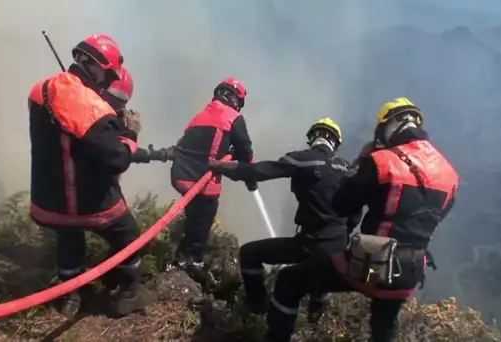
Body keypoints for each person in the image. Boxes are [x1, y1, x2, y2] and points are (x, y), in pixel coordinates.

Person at [262, 97, 459, 342]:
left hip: (369, 266)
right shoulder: (450, 173)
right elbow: (439, 216)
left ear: (389, 125)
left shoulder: (382, 161)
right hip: (410, 270)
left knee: (289, 280)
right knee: (384, 325)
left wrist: (361, 164)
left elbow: (341, 205)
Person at [28, 34, 173, 318]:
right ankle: (129, 293)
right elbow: (118, 159)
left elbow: (70, 138)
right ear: (96, 68)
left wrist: (110, 128)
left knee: (69, 236)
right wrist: (129, 133)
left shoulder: (41, 89)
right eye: (107, 78)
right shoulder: (91, 108)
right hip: (85, 204)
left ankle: (69, 295)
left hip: (47, 203)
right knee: (128, 232)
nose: (106, 85)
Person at [208, 117, 359, 323]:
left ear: (314, 137)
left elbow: (261, 171)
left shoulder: (303, 159)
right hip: (338, 246)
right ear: (335, 143)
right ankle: (316, 321)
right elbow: (355, 212)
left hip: (310, 243)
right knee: (320, 278)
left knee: (250, 253)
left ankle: (256, 306)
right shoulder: (348, 169)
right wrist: (342, 237)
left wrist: (225, 168)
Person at [170, 77, 255, 274]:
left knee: (194, 217)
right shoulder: (233, 118)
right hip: (202, 182)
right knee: (203, 220)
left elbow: (183, 144)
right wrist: (251, 178)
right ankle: (192, 263)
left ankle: (181, 256)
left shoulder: (200, 116)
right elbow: (246, 151)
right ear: (236, 100)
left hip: (180, 177)